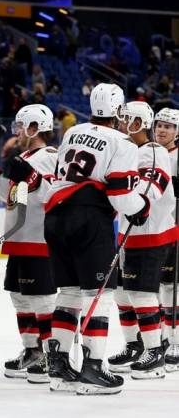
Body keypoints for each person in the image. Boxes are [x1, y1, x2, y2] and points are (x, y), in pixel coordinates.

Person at [44, 83, 150, 395]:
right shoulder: (123, 141)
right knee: (97, 295)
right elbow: (119, 193)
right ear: (119, 111)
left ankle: (59, 366)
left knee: (69, 293)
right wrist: (140, 208)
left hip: (55, 216)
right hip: (89, 217)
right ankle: (92, 368)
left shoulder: (71, 132)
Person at [108, 101, 173, 379]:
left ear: (138, 122)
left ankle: (155, 351)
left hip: (150, 233)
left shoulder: (154, 151)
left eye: (126, 120)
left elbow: (150, 189)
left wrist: (134, 205)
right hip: (128, 232)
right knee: (123, 294)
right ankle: (135, 344)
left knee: (142, 294)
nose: (121, 124)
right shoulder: (127, 150)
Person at [0, 104, 57, 382]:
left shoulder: (50, 156)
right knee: (20, 298)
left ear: (34, 128)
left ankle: (52, 355)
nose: (17, 132)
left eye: (21, 126)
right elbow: (6, 195)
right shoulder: (25, 155)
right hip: (18, 239)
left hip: (39, 238)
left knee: (42, 300)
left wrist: (28, 175)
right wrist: (5, 170)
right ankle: (32, 350)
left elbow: (53, 195)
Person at [152, 108, 179, 371]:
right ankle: (159, 337)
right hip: (154, 229)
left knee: (172, 288)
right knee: (156, 287)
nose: (162, 130)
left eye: (168, 127)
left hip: (174, 229)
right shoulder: (148, 152)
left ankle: (175, 340)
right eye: (159, 124)